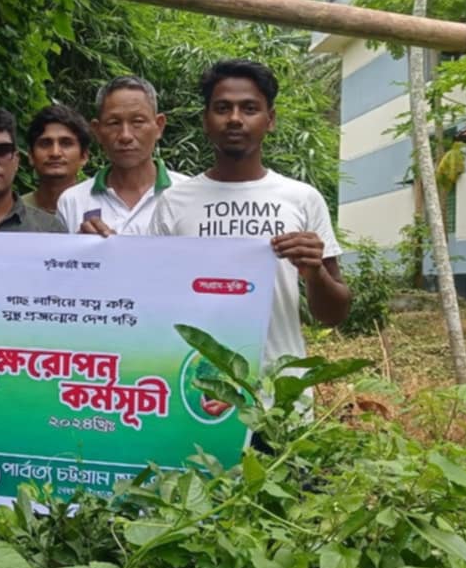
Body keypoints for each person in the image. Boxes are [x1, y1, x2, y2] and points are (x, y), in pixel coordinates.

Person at [151, 59, 351, 371]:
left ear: (269, 119)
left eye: (249, 108)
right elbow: (154, 299)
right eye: (222, 108)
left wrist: (314, 273)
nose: (234, 119)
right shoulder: (174, 202)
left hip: (282, 392)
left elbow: (334, 314)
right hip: (195, 385)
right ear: (205, 119)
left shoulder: (302, 198)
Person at [56, 75, 189, 235]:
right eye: (114, 123)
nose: (125, 135)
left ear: (158, 126)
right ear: (97, 131)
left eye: (138, 122)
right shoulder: (72, 202)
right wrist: (82, 248)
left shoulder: (188, 195)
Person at [22, 103, 91, 216]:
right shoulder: (14, 214)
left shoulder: (99, 211)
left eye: (66, 143)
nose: (55, 153)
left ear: (84, 156)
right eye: (45, 143)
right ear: (31, 156)